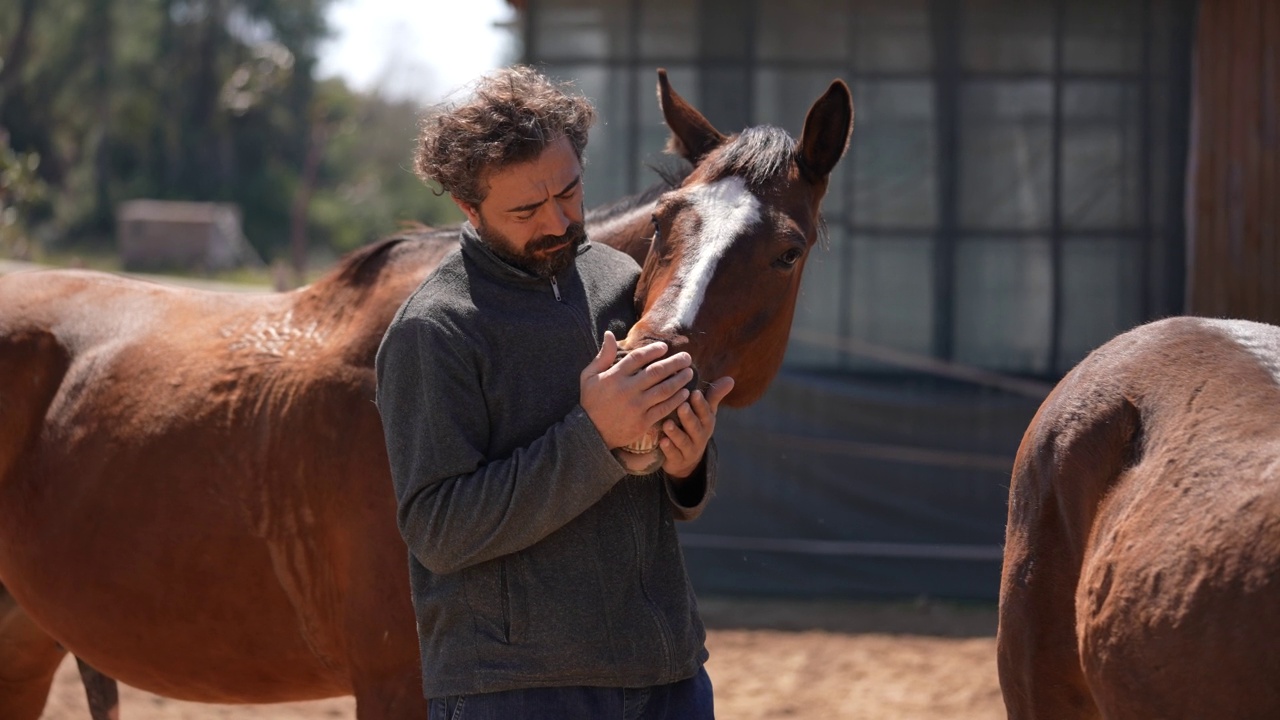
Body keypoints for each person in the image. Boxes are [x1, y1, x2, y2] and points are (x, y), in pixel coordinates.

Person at [375, 65, 733, 720]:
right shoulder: (433, 331)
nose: (559, 221)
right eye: (525, 209)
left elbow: (667, 490)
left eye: (570, 192)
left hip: (667, 674)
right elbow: (438, 531)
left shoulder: (624, 280)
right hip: (512, 691)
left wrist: (687, 463)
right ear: (468, 208)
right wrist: (594, 437)